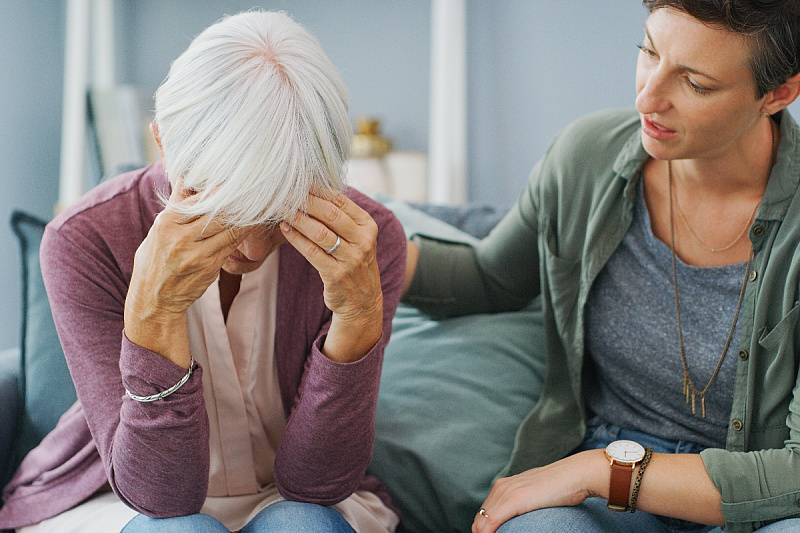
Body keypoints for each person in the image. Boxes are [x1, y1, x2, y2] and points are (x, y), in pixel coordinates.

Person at [0, 10, 405, 533]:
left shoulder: (370, 240)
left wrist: (358, 319)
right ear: (163, 142)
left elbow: (316, 486)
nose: (254, 245)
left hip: (299, 500)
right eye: (227, 203)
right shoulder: (85, 238)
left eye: (279, 209)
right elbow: (158, 496)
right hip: (119, 497)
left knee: (304, 525)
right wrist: (155, 311)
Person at [403, 1, 800, 532]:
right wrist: (363, 248)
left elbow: (794, 470)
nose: (647, 97)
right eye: (649, 52)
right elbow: (491, 280)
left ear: (778, 94)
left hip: (751, 502)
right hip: (604, 500)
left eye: (696, 84)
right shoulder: (586, 157)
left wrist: (601, 470)